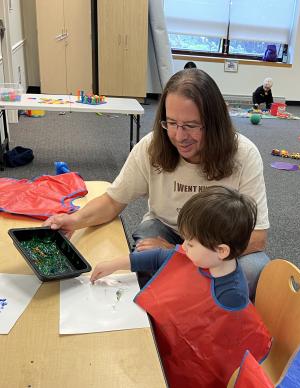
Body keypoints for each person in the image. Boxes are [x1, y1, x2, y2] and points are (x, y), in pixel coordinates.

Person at [44, 69, 270, 298]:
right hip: (167, 229)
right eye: (171, 123)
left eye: (191, 126)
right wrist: (74, 220)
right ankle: (188, 299)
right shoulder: (152, 147)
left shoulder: (244, 154)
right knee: (147, 252)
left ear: (214, 123)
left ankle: (194, 300)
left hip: (220, 244)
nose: (179, 136)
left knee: (254, 271)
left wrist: (179, 253)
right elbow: (113, 201)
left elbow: (257, 238)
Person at [90, 186, 271, 387]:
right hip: (173, 340)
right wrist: (114, 264)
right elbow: (159, 257)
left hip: (198, 363)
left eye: (191, 244)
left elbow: (223, 348)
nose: (182, 246)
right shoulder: (203, 258)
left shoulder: (231, 295)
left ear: (221, 251)